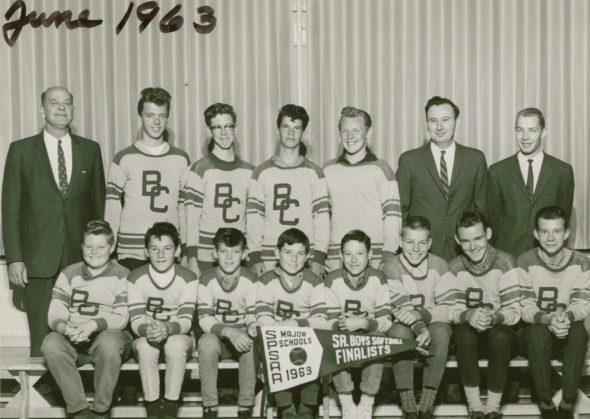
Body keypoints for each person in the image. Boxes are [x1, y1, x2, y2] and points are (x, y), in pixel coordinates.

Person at [2, 86, 106, 356]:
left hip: (80, 261)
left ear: (74, 109)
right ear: (42, 110)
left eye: (67, 103)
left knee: (79, 335)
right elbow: (10, 209)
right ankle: (42, 397)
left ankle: (76, 395)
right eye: (54, 103)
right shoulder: (21, 150)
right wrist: (15, 258)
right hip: (37, 260)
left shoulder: (91, 150)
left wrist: (98, 257)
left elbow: (97, 211)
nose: (61, 108)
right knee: (41, 338)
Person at [41, 220, 131, 419]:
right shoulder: (69, 273)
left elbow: (121, 318)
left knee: (109, 342)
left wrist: (91, 325)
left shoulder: (122, 275)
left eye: (101, 247)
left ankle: (101, 411)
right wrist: (67, 329)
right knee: (51, 343)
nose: (94, 252)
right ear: (82, 247)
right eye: (89, 246)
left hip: (109, 338)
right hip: (75, 339)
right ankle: (80, 411)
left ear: (112, 247)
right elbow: (54, 313)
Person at [105, 87, 191, 271]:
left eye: (162, 115)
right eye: (150, 115)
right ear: (140, 116)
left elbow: (184, 210)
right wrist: (109, 250)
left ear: (168, 117)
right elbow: (112, 210)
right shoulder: (123, 158)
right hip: (130, 251)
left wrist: (185, 250)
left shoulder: (181, 159)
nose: (157, 122)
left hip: (167, 250)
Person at [518, 206, 590, 418]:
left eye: (557, 231)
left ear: (566, 233)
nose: (550, 238)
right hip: (536, 330)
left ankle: (568, 402)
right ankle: (547, 405)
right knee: (537, 333)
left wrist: (564, 317)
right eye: (544, 231)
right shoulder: (525, 260)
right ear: (535, 233)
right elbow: (525, 306)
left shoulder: (581, 261)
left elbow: (582, 303)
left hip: (567, 327)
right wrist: (549, 318)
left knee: (578, 332)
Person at [396, 96, 488, 261]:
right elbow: (401, 211)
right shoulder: (409, 161)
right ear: (427, 124)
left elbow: (482, 209)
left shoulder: (475, 159)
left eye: (445, 120)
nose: (439, 127)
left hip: (464, 254)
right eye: (433, 121)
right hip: (422, 255)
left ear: (456, 122)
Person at [450, 211, 521, 419]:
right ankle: (475, 407)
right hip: (470, 337)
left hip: (500, 335)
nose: (473, 246)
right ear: (457, 240)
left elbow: (515, 311)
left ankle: (492, 407)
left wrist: (494, 318)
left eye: (478, 238)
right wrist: (469, 314)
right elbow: (451, 309)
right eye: (465, 241)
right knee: (462, 334)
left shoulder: (506, 262)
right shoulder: (454, 267)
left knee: (499, 335)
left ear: (488, 233)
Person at [246, 104, 329, 277]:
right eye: (286, 127)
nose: (291, 133)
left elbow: (322, 218)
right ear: (277, 131)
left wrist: (319, 256)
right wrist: (255, 256)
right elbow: (254, 218)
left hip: (305, 257)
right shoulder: (261, 172)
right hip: (269, 257)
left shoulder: (314, 173)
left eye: (296, 128)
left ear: (304, 133)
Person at [384, 216, 454, 419]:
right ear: (399, 242)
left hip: (431, 323)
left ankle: (426, 404)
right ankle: (408, 405)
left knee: (442, 330)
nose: (416, 249)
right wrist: (420, 328)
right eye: (409, 242)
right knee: (398, 332)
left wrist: (422, 318)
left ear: (430, 243)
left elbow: (448, 308)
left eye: (422, 243)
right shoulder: (390, 267)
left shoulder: (439, 265)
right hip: (404, 325)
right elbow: (400, 310)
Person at [127, 222, 198, 419]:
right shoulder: (135, 277)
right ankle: (151, 408)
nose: (160, 255)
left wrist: (166, 328)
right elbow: (135, 320)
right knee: (146, 347)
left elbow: (185, 321)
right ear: (145, 252)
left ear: (177, 251)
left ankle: (169, 408)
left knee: (174, 345)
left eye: (167, 249)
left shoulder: (189, 278)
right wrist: (148, 330)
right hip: (147, 334)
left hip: (179, 334)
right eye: (154, 249)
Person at [255, 228, 329, 419]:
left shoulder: (315, 282)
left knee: (316, 340)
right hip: (278, 339)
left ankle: (307, 407)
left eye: (300, 254)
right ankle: (285, 408)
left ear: (308, 257)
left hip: (305, 337)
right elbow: (262, 319)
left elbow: (321, 320)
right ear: (276, 254)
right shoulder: (265, 281)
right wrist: (281, 330)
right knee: (273, 341)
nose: (294, 259)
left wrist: (295, 323)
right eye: (288, 253)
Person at [324, 230, 393, 419]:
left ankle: (366, 403)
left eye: (360, 253)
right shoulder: (332, 279)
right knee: (332, 339)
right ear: (340, 256)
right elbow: (328, 321)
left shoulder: (378, 278)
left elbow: (386, 322)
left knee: (378, 339)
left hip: (368, 336)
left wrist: (362, 322)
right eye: (348, 254)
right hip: (343, 336)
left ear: (370, 255)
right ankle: (347, 404)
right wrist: (346, 327)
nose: (354, 260)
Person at [488, 108, 575, 256]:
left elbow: (563, 218)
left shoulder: (562, 171)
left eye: (532, 130)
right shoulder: (497, 171)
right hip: (508, 256)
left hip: (546, 256)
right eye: (520, 130)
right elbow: (493, 218)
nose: (525, 137)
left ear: (543, 133)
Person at [324, 106, 401, 270]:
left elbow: (393, 218)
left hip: (374, 258)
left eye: (356, 131)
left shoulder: (381, 169)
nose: (350, 137)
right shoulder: (328, 170)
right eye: (345, 131)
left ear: (369, 132)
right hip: (336, 259)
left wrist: (388, 253)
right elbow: (323, 218)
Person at [185, 103, 254, 276]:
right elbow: (191, 220)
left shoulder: (250, 171)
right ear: (209, 131)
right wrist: (192, 258)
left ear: (235, 129)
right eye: (217, 127)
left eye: (228, 126)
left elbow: (253, 221)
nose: (223, 133)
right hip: (206, 254)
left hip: (237, 253)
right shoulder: (199, 169)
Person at [197, 228, 258, 419]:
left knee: (251, 342)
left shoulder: (252, 280)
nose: (229, 258)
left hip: (242, 339)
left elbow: (253, 315)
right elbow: (204, 319)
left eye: (235, 252)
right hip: (219, 338)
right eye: (224, 251)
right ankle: (210, 407)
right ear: (215, 254)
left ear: (245, 253)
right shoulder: (205, 280)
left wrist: (251, 327)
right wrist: (230, 332)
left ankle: (245, 407)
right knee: (206, 342)